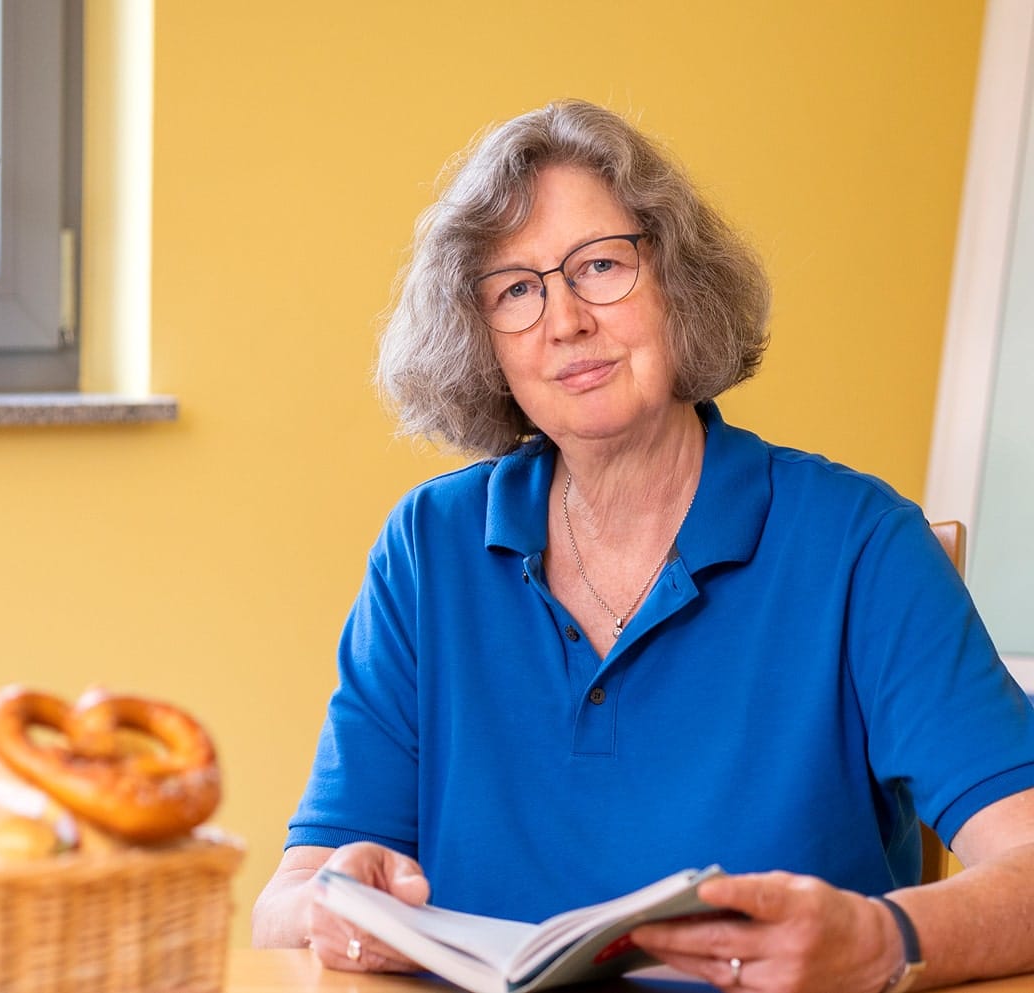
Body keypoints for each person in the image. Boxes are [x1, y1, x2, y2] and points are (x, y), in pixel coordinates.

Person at [252, 100, 1034, 992]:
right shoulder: (427, 551)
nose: (565, 320)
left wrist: (876, 939)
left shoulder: (861, 545)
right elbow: (285, 899)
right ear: (482, 341)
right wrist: (335, 905)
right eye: (515, 288)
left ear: (678, 282)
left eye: (600, 266)